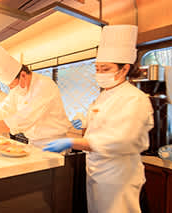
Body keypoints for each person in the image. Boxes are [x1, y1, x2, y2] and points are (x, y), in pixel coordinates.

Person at [43, 25, 152, 213]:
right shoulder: (104, 95)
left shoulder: (134, 98)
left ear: (124, 69)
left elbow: (119, 140)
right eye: (97, 68)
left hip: (119, 178)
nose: (100, 73)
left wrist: (72, 142)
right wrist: (83, 121)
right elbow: (99, 121)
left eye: (105, 68)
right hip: (97, 171)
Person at [0, 37, 70, 146]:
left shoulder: (43, 86)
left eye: (12, 85)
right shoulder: (18, 88)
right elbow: (5, 107)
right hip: (34, 142)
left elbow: (22, 119)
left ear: (23, 75)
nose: (12, 90)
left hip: (54, 143)